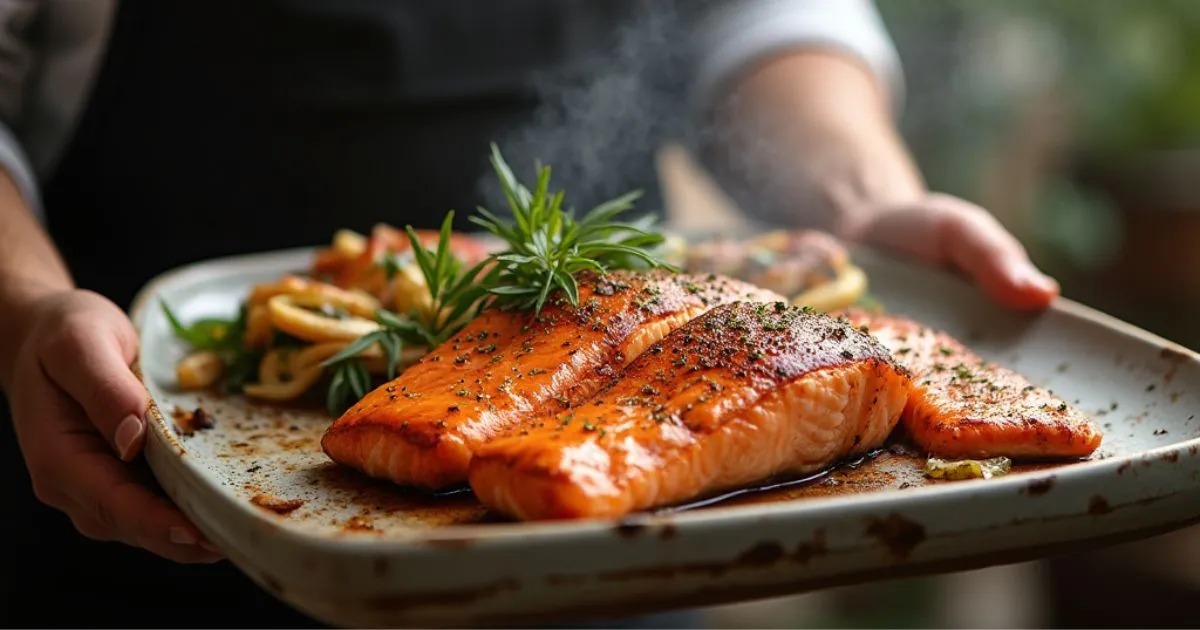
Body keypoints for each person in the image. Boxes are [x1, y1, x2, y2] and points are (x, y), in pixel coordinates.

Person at [0, 1, 1059, 626]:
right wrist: (26, 303)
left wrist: (861, 203)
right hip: (143, 468)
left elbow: (768, 16)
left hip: (620, 565)